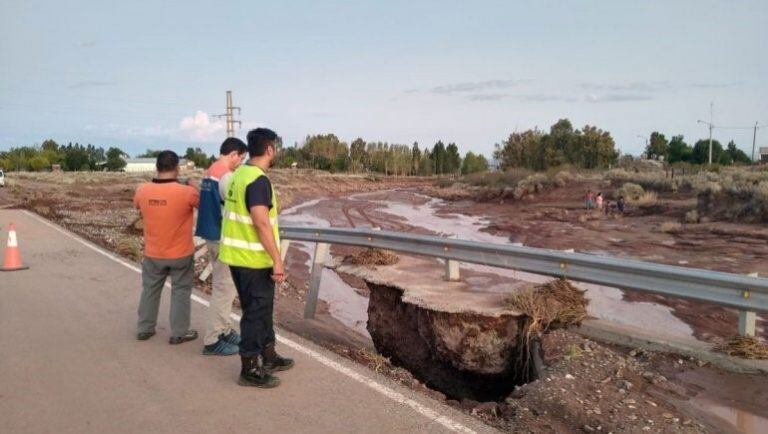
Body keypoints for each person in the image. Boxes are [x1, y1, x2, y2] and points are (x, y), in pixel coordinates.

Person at [220, 128, 293, 388]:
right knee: (255, 313)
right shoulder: (258, 180)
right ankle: (249, 367)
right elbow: (261, 222)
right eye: (275, 148)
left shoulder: (240, 174)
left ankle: (268, 354)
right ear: (270, 149)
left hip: (237, 257)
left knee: (261, 310)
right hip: (253, 259)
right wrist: (277, 259)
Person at [133, 151, 200, 344]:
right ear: (177, 168)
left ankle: (145, 328)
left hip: (153, 252)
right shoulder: (187, 192)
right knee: (181, 291)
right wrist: (195, 186)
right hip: (181, 253)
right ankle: (179, 332)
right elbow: (204, 205)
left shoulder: (142, 190)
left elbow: (137, 205)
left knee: (150, 290)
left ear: (157, 167)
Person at [195, 137, 248, 356]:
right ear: (233, 153)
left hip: (210, 233)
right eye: (241, 158)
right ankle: (213, 339)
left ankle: (225, 330)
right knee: (224, 289)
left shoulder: (209, 172)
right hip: (222, 236)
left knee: (224, 286)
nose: (240, 163)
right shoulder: (225, 176)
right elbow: (236, 205)